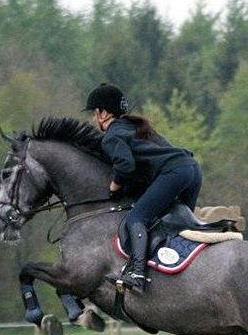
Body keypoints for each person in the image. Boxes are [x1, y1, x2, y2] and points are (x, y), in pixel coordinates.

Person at [83, 82, 202, 293]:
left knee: (136, 218)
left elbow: (125, 165)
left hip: (174, 173)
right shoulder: (136, 127)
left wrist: (114, 186)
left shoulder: (111, 136)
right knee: (176, 223)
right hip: (191, 170)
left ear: (103, 114)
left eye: (94, 113)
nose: (93, 119)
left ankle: (137, 272)